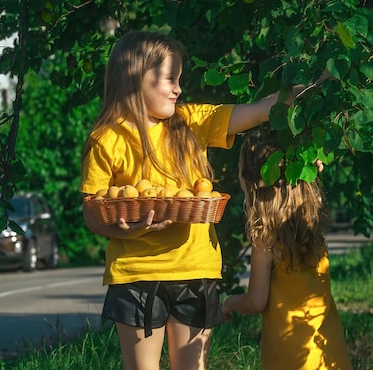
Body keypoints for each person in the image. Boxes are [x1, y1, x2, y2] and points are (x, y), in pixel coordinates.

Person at [80, 31, 313, 370]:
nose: (177, 88)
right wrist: (134, 232)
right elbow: (92, 214)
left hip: (195, 270)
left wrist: (316, 85)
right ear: (135, 79)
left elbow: (262, 110)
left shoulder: (192, 121)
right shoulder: (106, 140)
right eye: (169, 79)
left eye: (179, 79)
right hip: (137, 275)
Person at [222, 132, 354, 370]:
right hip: (328, 350)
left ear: (254, 186)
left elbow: (255, 302)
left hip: (289, 357)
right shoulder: (313, 234)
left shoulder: (266, 242)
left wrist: (229, 303)